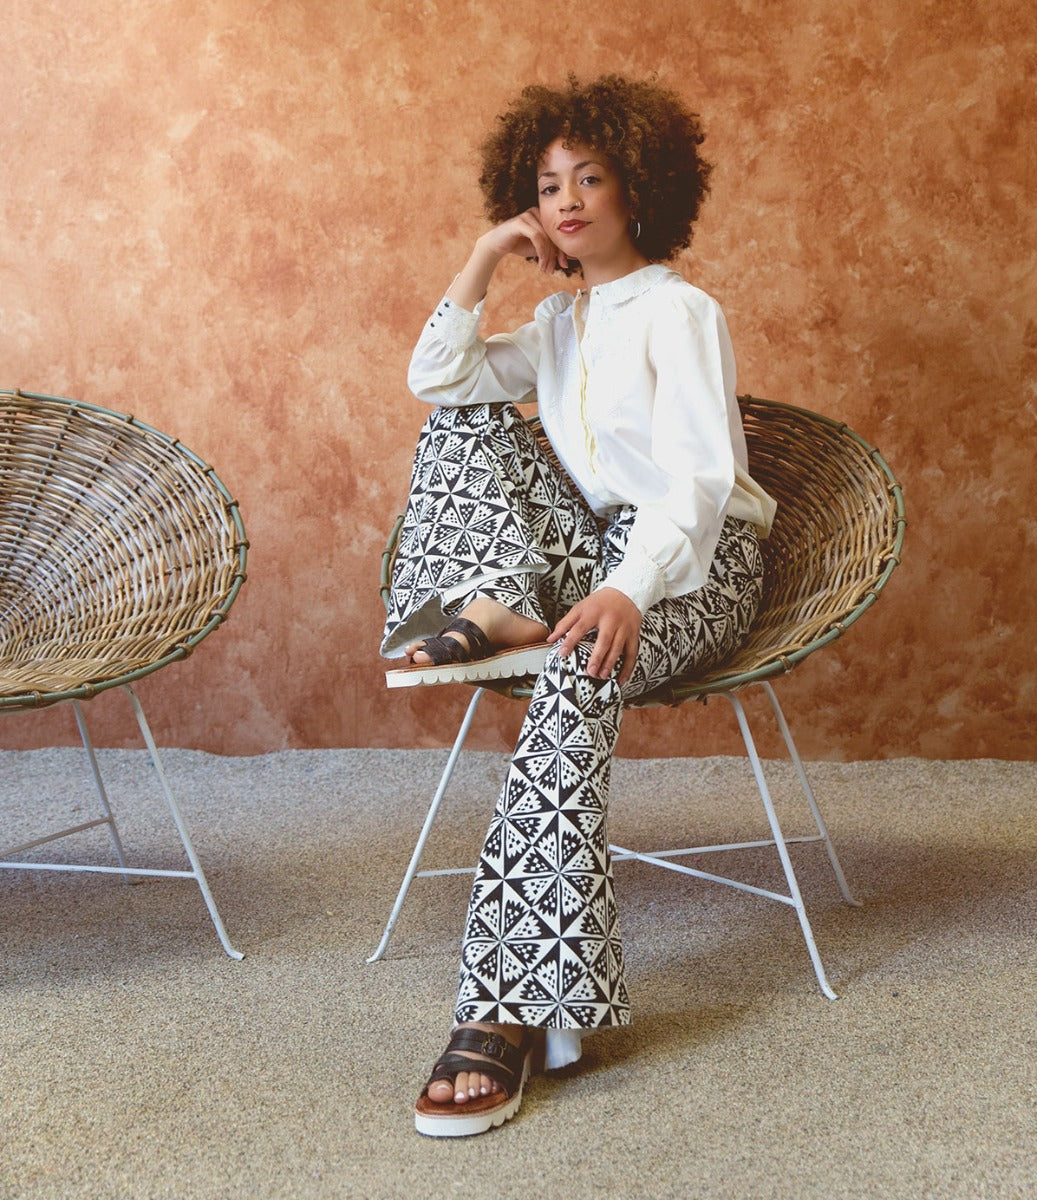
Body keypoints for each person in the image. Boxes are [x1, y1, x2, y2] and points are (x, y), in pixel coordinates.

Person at [380, 74, 776, 1138]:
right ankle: (500, 600)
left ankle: (498, 1012)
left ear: (637, 187)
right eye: (544, 185)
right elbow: (437, 376)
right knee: (460, 424)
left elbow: (695, 485)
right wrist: (482, 260)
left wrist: (625, 588)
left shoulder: (681, 310)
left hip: (694, 564)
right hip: (593, 553)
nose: (563, 202)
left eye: (587, 178)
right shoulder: (558, 321)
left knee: (575, 671)